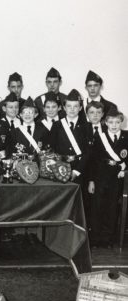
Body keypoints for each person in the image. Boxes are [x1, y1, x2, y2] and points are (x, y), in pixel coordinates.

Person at [88, 109, 127, 248]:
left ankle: (108, 239)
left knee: (112, 208)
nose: (114, 125)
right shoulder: (100, 136)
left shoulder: (126, 136)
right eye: (111, 122)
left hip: (117, 178)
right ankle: (95, 238)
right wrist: (91, 180)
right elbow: (93, 160)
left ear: (121, 122)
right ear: (106, 122)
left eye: (117, 122)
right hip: (100, 176)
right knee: (97, 207)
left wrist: (125, 169)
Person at [49, 89, 91, 181]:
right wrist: (57, 167)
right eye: (69, 106)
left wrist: (76, 171)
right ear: (64, 107)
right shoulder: (57, 125)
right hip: (60, 168)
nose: (72, 109)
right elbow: (52, 148)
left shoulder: (87, 126)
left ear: (80, 108)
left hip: (80, 170)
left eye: (75, 106)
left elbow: (88, 152)